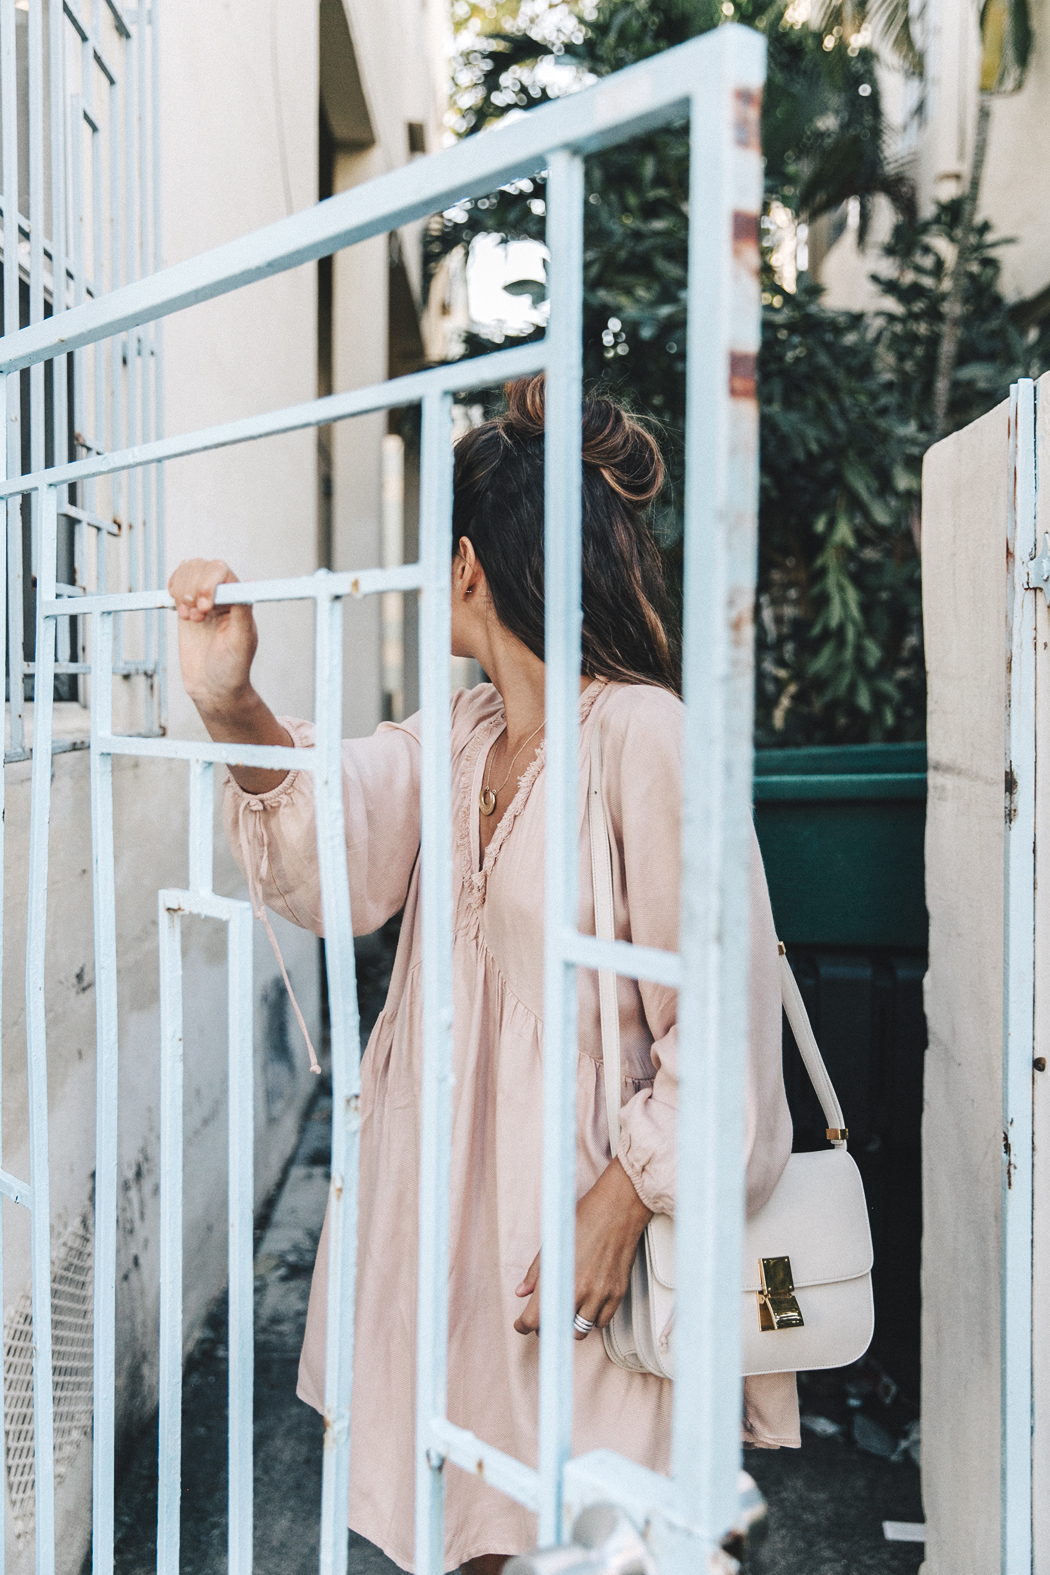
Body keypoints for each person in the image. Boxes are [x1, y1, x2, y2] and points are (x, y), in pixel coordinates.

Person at [169, 375, 799, 1575]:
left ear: (467, 565)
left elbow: (722, 1021)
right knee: (478, 1529)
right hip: (450, 1220)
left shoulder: (644, 736)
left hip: (577, 1231)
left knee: (588, 1531)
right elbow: (334, 835)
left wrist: (624, 1202)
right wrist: (228, 697)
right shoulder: (456, 736)